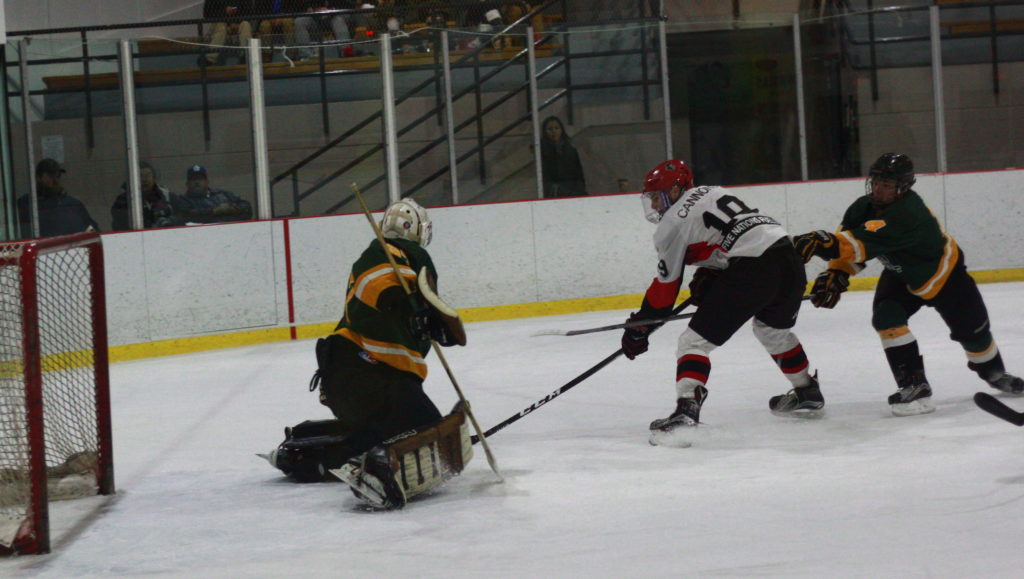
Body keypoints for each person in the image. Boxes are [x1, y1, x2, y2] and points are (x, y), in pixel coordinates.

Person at [266, 198, 471, 509]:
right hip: (368, 376)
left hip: (352, 380)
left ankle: (305, 454)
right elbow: (384, 286)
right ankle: (377, 472)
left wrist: (428, 319)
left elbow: (402, 301)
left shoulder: (397, 264)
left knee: (386, 434)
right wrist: (414, 307)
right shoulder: (388, 253)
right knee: (429, 431)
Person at [793, 152, 1023, 416]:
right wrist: (837, 274)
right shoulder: (862, 208)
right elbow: (850, 248)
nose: (878, 190)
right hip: (901, 274)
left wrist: (824, 243)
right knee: (886, 317)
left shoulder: (909, 213)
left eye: (887, 185)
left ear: (903, 187)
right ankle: (914, 386)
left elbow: (855, 245)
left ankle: (995, 374)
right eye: (876, 182)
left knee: (974, 335)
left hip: (946, 277)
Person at [621, 160, 822, 446]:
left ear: (676, 190)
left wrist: (640, 326)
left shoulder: (672, 223)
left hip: (752, 269)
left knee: (692, 343)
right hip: (789, 260)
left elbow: (665, 291)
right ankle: (807, 391)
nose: (654, 205)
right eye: (651, 198)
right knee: (772, 331)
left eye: (657, 196)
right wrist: (714, 271)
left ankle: (686, 412)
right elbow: (733, 235)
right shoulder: (712, 191)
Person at [17, 158, 100, 239]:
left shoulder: (73, 204)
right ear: (38, 178)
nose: (55, 180)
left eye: (58, 176)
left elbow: (93, 229)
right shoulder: (26, 204)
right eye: (50, 176)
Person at [110, 162, 181, 231]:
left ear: (154, 177)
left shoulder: (167, 196)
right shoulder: (123, 200)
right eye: (140, 176)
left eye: (148, 175)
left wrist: (171, 220)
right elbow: (120, 223)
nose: (144, 179)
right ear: (133, 179)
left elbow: (183, 216)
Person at [172, 165, 253, 224]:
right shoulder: (183, 200)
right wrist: (215, 211)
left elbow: (247, 207)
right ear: (187, 184)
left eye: (200, 179)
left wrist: (233, 209)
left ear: (207, 182)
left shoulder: (223, 194)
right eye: (193, 179)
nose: (197, 182)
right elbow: (187, 216)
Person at [540, 116, 587, 198]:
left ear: (562, 130)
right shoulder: (542, 151)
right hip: (553, 193)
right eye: (550, 129)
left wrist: (578, 189)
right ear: (545, 132)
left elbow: (579, 174)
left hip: (573, 191)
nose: (554, 131)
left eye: (556, 128)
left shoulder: (570, 150)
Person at [201, 1, 255, 66]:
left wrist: (236, 22)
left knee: (245, 25)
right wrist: (224, 12)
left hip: (239, 23)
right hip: (220, 22)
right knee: (221, 28)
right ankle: (209, 59)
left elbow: (249, 12)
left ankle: (245, 56)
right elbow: (207, 13)